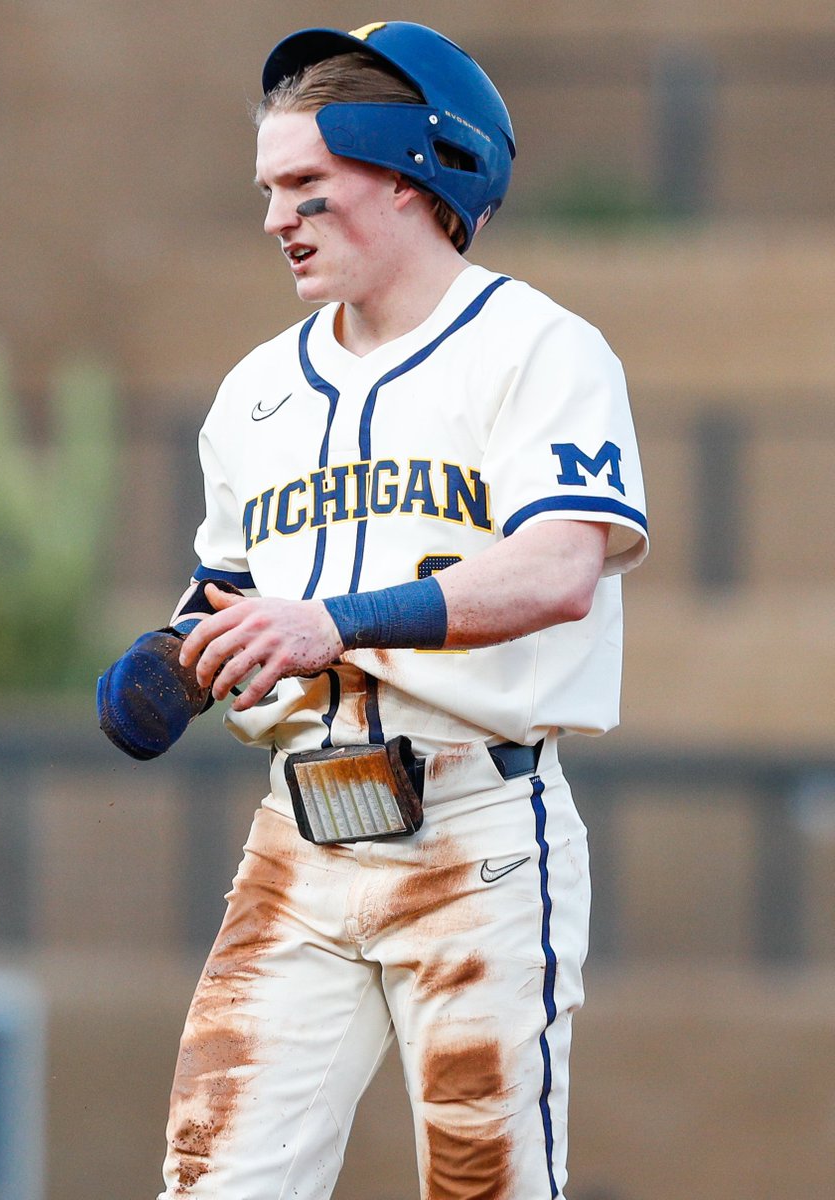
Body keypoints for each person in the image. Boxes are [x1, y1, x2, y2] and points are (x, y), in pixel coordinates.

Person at [97, 20, 648, 1199]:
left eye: (306, 184)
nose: (275, 218)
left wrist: (332, 622)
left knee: (484, 1186)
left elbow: (559, 567)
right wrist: (178, 657)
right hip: (298, 837)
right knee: (212, 1182)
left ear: (412, 178)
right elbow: (235, 594)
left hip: (479, 831)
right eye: (267, 189)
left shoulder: (540, 350)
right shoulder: (255, 393)